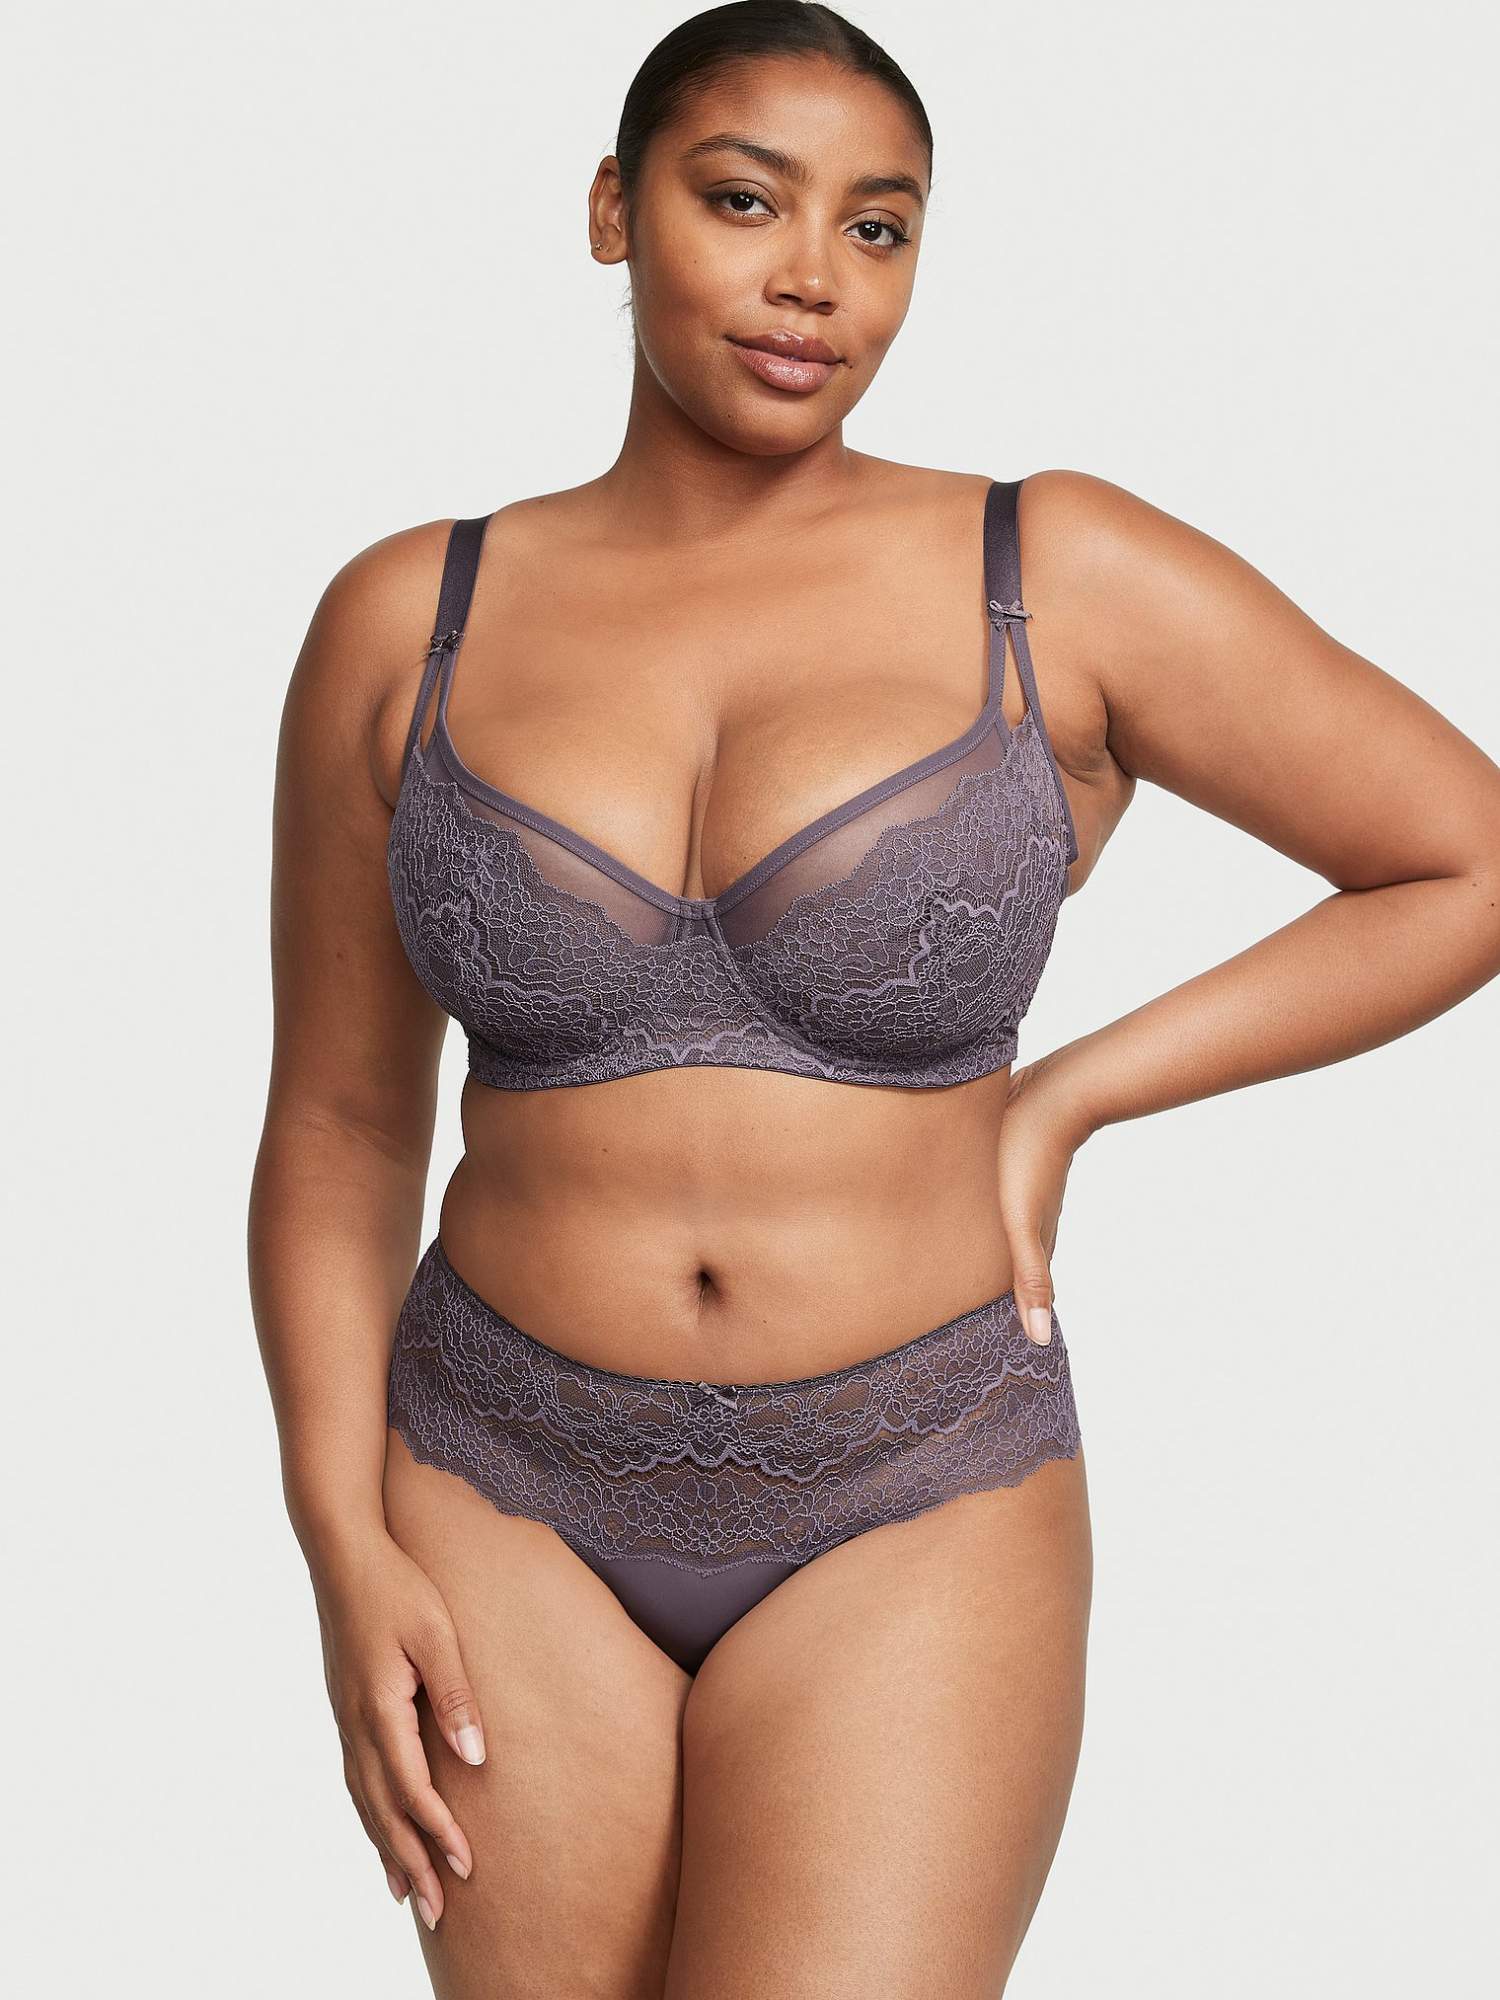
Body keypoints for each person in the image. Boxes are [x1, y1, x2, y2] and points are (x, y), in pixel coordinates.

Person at [246, 4, 1500, 1993]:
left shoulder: (1047, 570)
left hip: (916, 1491)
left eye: (880, 226)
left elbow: (1463, 858)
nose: (813, 279)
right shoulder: (413, 615)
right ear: (613, 209)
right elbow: (338, 1123)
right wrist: (344, 1538)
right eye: (745, 201)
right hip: (494, 1484)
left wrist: (1064, 1098)